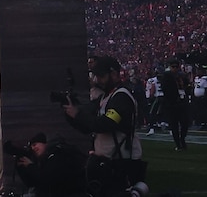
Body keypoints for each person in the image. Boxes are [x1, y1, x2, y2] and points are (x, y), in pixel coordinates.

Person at [63, 55, 146, 196]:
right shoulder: (105, 98)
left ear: (114, 74)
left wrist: (77, 115)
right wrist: (71, 112)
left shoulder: (121, 97)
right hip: (110, 161)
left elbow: (106, 124)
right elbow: (87, 125)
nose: (98, 80)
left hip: (122, 161)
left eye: (101, 76)